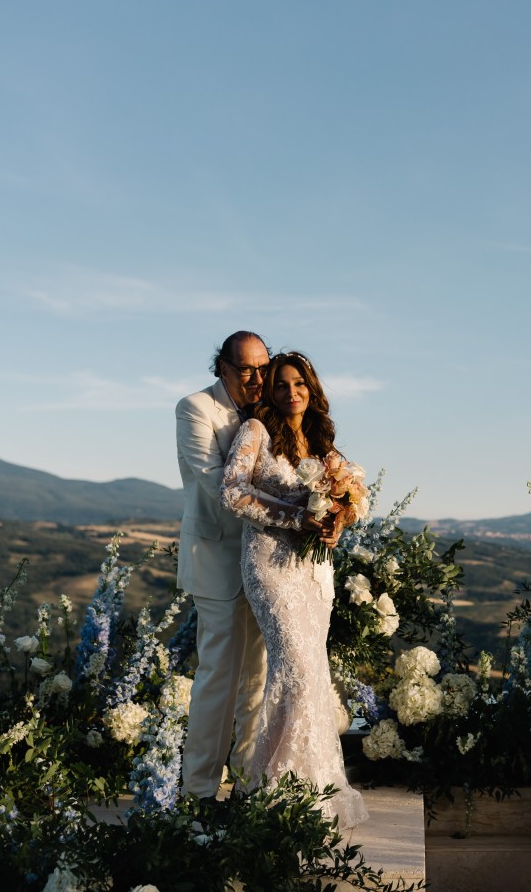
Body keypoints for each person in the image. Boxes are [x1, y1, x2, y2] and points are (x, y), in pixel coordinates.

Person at [220, 350, 368, 827]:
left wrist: (337, 523)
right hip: (271, 567)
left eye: (299, 383)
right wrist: (296, 517)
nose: (291, 392)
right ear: (271, 390)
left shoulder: (322, 442)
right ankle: (279, 791)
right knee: (297, 671)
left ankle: (308, 788)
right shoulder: (256, 430)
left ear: (311, 387)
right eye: (281, 384)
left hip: (314, 572)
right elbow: (232, 492)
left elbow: (350, 499)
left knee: (312, 674)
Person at [177, 331, 271, 799]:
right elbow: (219, 485)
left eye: (263, 368)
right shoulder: (195, 408)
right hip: (216, 560)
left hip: (268, 564)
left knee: (258, 680)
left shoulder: (272, 408)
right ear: (223, 368)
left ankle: (248, 787)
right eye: (246, 370)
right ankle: (198, 791)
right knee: (217, 680)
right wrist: (295, 511)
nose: (257, 379)